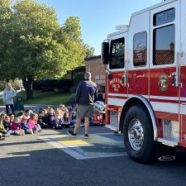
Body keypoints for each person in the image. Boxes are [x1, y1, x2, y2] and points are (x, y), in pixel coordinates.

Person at [67, 72, 97, 139]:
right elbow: (96, 95)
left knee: (79, 119)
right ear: (90, 76)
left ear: (84, 76)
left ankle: (74, 132)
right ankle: (86, 134)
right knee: (87, 119)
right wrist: (93, 102)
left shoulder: (82, 83)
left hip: (82, 104)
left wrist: (76, 102)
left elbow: (78, 93)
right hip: (90, 104)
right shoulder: (94, 84)